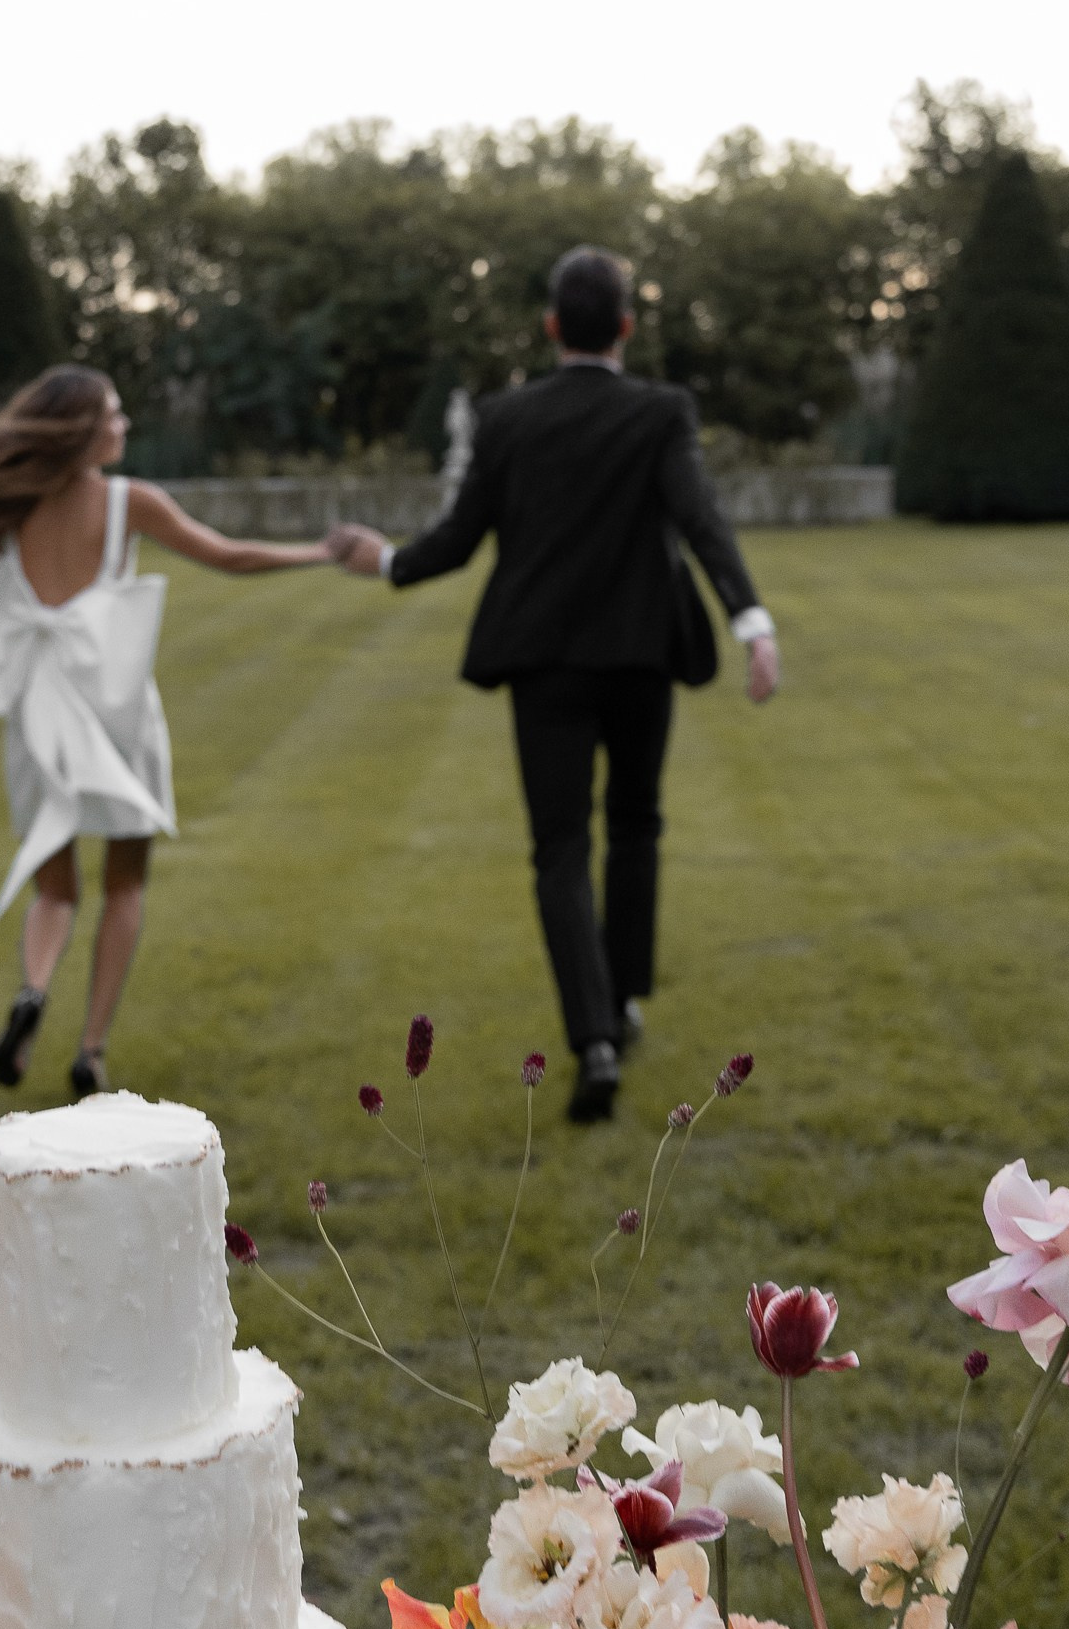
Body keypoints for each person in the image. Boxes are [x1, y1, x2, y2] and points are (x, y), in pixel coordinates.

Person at [330, 246, 779, 1124]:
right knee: (636, 823)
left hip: (543, 664)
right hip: (642, 653)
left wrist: (382, 561)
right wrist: (751, 620)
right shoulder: (661, 412)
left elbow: (458, 540)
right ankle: (622, 1004)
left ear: (549, 328)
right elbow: (699, 517)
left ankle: (595, 1039)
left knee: (560, 847)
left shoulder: (505, 418)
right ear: (625, 326)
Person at [0, 365, 335, 1096]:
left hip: (38, 712)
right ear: (82, 430)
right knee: (124, 887)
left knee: (55, 887)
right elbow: (228, 555)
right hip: (117, 711)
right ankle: (90, 1051)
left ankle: (33, 992)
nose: (124, 425)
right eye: (115, 414)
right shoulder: (131, 502)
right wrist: (322, 553)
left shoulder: (10, 509)